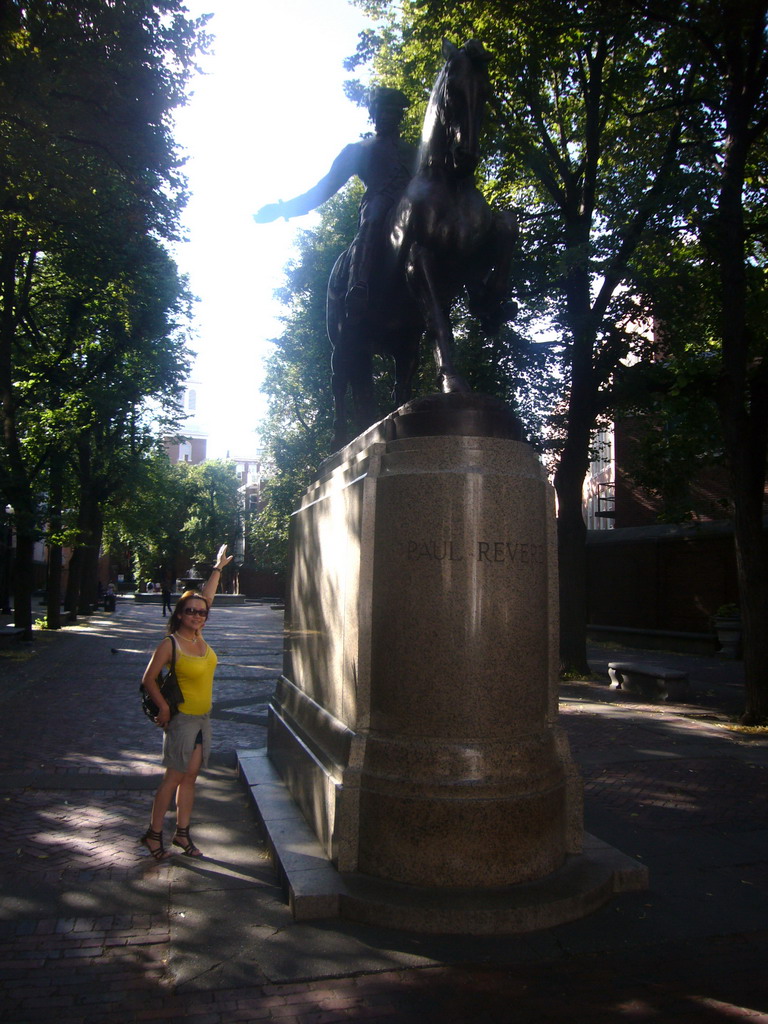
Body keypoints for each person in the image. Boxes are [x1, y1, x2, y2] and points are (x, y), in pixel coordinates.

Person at [253, 87, 417, 319]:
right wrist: (283, 209)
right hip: (379, 202)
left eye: (392, 111)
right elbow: (324, 188)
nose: (385, 116)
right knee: (373, 218)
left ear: (400, 116)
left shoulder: (416, 152)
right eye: (380, 111)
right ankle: (358, 284)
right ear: (373, 115)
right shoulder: (358, 150)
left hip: (414, 211)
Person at [139, 543, 233, 860]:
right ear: (179, 613)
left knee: (190, 778)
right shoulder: (172, 643)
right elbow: (148, 679)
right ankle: (153, 835)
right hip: (181, 720)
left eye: (202, 612)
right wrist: (164, 708)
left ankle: (181, 834)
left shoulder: (199, 637)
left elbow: (207, 596)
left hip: (202, 720)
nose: (197, 614)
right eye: (190, 611)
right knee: (174, 777)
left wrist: (218, 568)